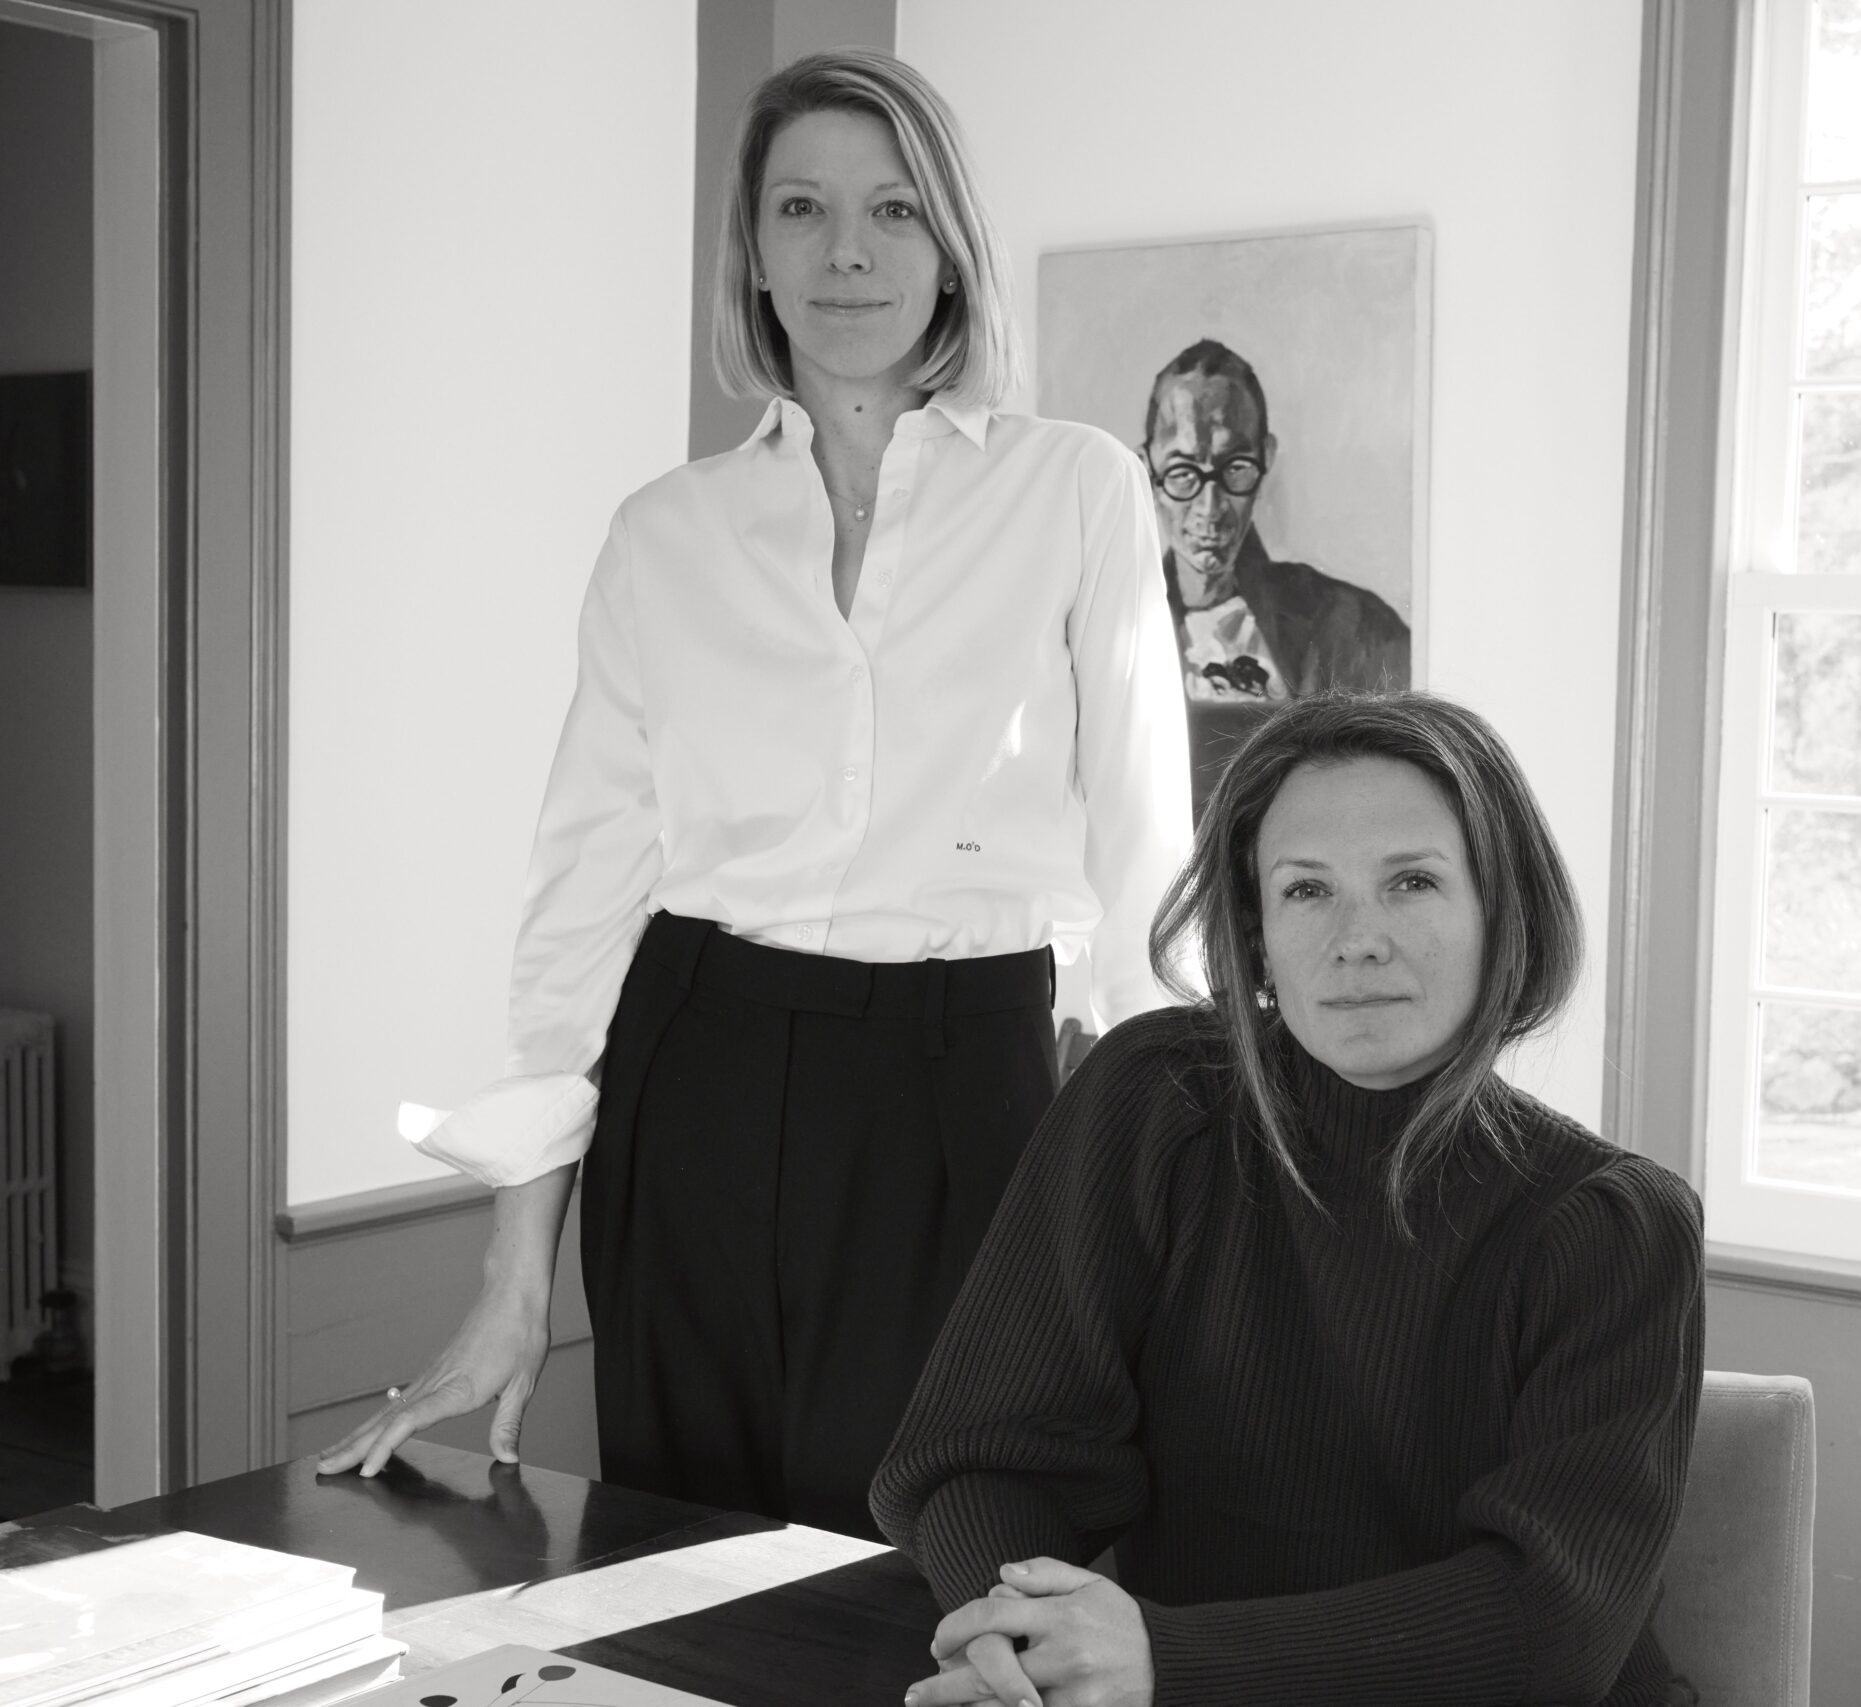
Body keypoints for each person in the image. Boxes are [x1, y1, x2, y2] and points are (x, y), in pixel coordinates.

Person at [316, 49, 1192, 1543]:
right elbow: (581, 905)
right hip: (697, 1063)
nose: (848, 249)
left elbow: (1148, 864)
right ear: (757, 252)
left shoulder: (1081, 489)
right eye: (803, 207)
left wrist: (1169, 1212)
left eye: (894, 209)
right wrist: (512, 1282)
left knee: (944, 1545)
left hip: (971, 1066)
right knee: (686, 1544)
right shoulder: (664, 534)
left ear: (950, 246)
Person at [874, 692, 1707, 1707]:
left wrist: (1167, 1664)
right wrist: (1028, 1652)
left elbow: (1554, 1629)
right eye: (1307, 891)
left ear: (1503, 914)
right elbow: (976, 1458)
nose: (1357, 940)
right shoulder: (1155, 1104)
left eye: (1411, 882)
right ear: (1256, 932)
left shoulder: (1611, 1227)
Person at [1143, 339, 1411, 809]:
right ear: (1147, 466)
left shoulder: (1353, 625)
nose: (1210, 510)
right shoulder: (1115, 628)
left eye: (1236, 469)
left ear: (1266, 456)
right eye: (1183, 473)